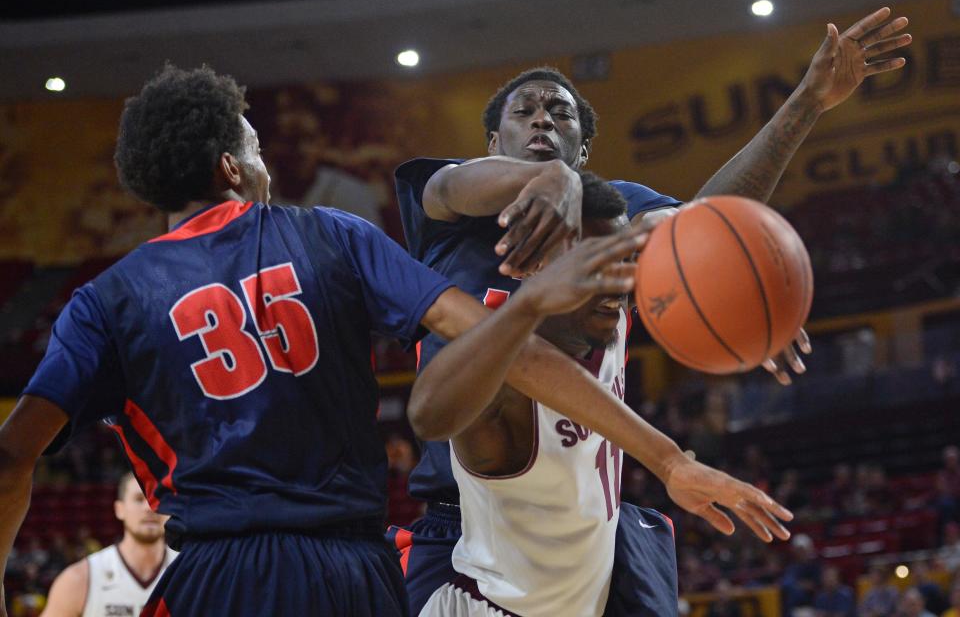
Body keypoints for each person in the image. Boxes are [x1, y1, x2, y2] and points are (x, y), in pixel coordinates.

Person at [0, 65, 692, 617]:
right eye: (257, 149)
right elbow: (503, 347)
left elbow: (11, 457)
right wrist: (665, 457)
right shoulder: (330, 234)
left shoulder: (105, 299)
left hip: (217, 571)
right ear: (231, 169)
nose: (267, 165)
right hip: (351, 568)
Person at [392, 6, 911, 616]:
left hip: (591, 522)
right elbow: (454, 189)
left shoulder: (608, 212)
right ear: (490, 143)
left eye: (560, 115)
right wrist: (549, 178)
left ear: (585, 150)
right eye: (525, 110)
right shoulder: (451, 209)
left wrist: (744, 290)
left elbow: (697, 232)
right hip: (467, 524)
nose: (542, 119)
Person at [412, 173, 791, 616]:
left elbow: (703, 224)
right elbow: (429, 415)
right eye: (593, 263)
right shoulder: (502, 378)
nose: (616, 282)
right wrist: (529, 304)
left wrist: (807, 104)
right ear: (536, 267)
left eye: (623, 260)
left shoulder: (603, 319)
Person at [40, 473, 176, 617]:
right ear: (120, 509)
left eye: (158, 500)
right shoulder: (79, 579)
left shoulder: (193, 573)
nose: (149, 508)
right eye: (138, 499)